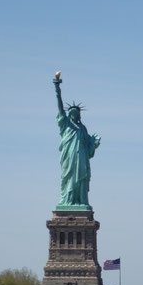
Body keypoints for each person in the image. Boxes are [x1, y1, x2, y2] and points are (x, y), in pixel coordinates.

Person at [54, 76, 101, 208]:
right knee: (68, 178)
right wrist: (57, 90)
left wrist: (94, 143)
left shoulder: (82, 128)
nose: (74, 115)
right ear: (69, 115)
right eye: (72, 113)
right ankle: (68, 201)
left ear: (79, 115)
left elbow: (88, 149)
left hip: (81, 159)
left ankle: (81, 201)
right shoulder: (66, 125)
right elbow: (60, 109)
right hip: (68, 158)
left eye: (76, 113)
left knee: (81, 179)